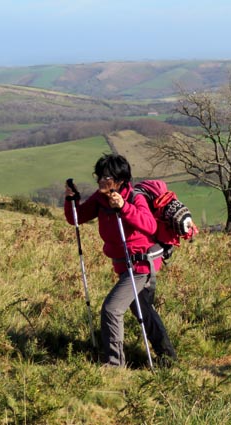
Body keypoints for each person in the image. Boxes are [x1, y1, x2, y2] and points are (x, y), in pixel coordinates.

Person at [64, 153, 177, 367]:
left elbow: (149, 225)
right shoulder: (99, 199)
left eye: (106, 177)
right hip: (123, 265)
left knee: (111, 308)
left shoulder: (135, 197)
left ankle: (114, 365)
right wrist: (71, 199)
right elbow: (76, 218)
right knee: (142, 310)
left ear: (120, 180)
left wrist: (124, 207)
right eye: (99, 176)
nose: (101, 181)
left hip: (141, 265)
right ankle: (168, 359)